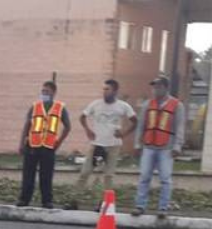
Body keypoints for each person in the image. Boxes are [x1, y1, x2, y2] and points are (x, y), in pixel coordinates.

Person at [73, 79, 137, 209]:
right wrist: (88, 130)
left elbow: (135, 121)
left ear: (115, 91)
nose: (104, 92)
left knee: (108, 176)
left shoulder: (123, 106)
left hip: (113, 145)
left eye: (107, 89)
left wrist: (124, 134)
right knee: (85, 172)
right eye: (103, 89)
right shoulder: (96, 104)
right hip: (97, 144)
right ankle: (74, 200)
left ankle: (104, 204)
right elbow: (82, 117)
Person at [133, 75, 186, 217]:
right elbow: (141, 125)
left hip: (166, 147)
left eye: (158, 87)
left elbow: (180, 126)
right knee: (144, 176)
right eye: (154, 87)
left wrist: (177, 146)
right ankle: (140, 206)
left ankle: (163, 208)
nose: (155, 90)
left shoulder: (177, 105)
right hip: (149, 145)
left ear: (166, 88)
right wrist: (137, 144)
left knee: (165, 179)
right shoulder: (147, 104)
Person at [17, 81, 71, 209]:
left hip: (48, 146)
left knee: (46, 176)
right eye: (43, 91)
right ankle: (24, 199)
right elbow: (27, 124)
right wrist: (21, 143)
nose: (44, 94)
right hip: (32, 145)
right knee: (28, 175)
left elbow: (68, 127)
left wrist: (59, 142)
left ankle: (47, 201)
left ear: (53, 92)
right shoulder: (35, 106)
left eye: (46, 91)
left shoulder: (60, 107)